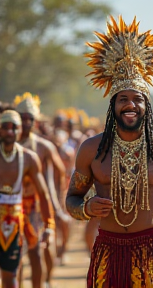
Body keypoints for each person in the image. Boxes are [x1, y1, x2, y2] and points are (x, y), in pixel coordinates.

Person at [66, 15, 153, 288]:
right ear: (112, 106)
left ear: (146, 106)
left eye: (137, 99)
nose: (131, 105)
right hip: (108, 252)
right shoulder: (91, 149)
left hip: (152, 251)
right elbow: (71, 199)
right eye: (123, 99)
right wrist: (87, 209)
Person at [14, 93, 69, 287]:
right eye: (22, 118)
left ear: (35, 122)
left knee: (38, 251)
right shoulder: (7, 147)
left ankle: (46, 282)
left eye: (30, 119)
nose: (26, 122)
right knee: (16, 255)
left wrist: (56, 199)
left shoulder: (43, 147)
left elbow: (60, 172)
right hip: (13, 207)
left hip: (37, 204)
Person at [0, 110, 54, 288]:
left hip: (13, 223)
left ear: (19, 130)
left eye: (13, 128)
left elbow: (43, 194)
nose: (9, 132)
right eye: (5, 127)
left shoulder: (29, 158)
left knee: (10, 274)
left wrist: (49, 226)